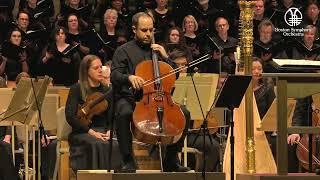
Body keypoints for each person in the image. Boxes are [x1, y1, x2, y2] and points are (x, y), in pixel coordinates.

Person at [111, 12, 191, 172]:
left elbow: (174, 74)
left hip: (159, 99)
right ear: (134, 29)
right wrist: (129, 77)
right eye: (144, 30)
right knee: (123, 112)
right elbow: (114, 75)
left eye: (150, 30)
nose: (148, 34)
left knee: (185, 113)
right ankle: (128, 160)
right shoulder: (123, 51)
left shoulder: (158, 51)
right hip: (131, 98)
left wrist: (166, 56)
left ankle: (171, 160)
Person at [65, 54, 121, 171]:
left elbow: (113, 116)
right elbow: (70, 117)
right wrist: (91, 132)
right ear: (86, 71)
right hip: (83, 132)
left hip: (103, 132)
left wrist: (110, 131)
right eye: (96, 68)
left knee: (116, 144)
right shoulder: (77, 88)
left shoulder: (107, 90)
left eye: (101, 67)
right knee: (97, 144)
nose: (101, 70)